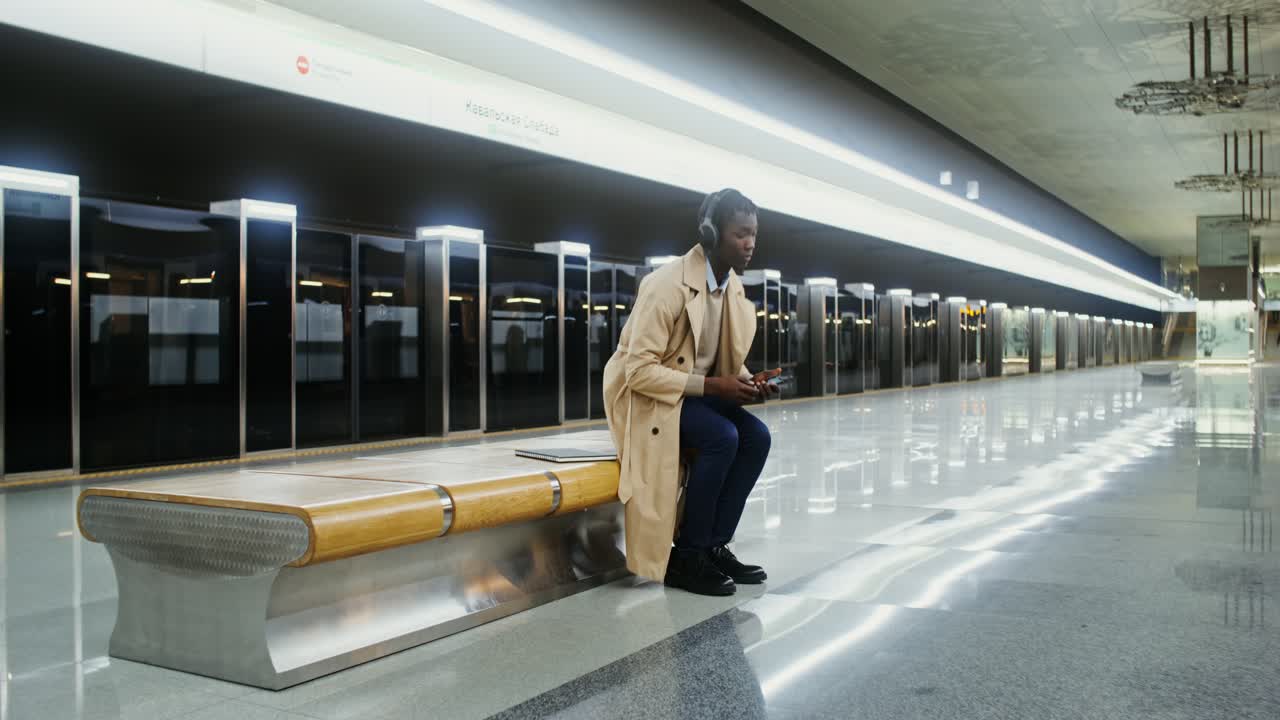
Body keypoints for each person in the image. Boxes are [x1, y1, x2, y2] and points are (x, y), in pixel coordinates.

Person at [602, 188, 777, 596]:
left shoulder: (731, 289)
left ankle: (714, 544)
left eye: (754, 234)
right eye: (741, 234)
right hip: (648, 395)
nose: (750, 243)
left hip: (693, 392)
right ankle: (687, 554)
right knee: (722, 436)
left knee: (757, 437)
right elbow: (638, 371)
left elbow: (719, 356)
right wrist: (715, 385)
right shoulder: (666, 285)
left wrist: (750, 381)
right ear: (711, 233)